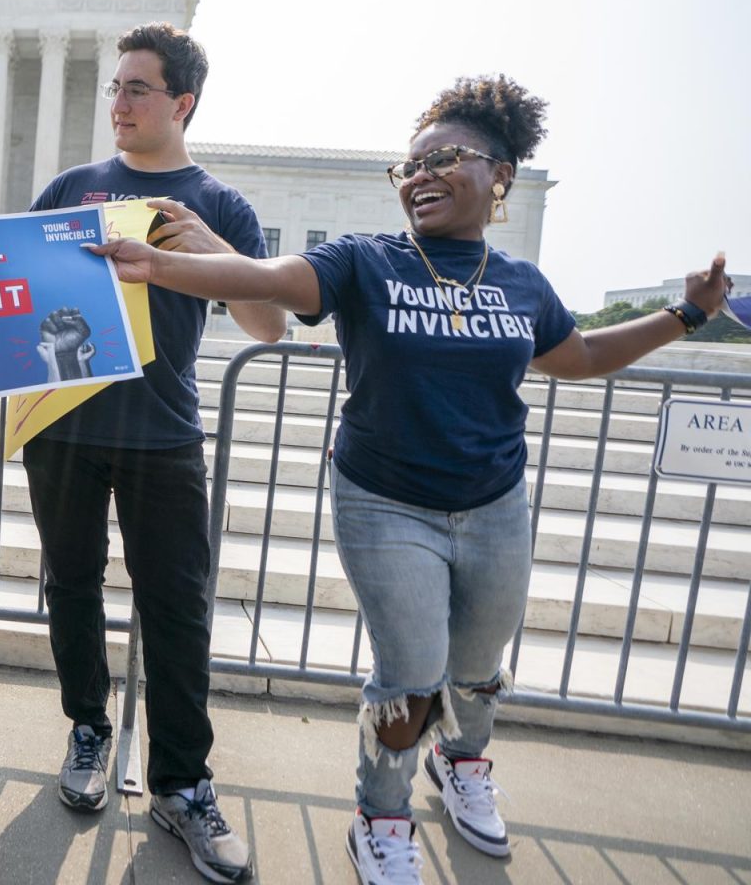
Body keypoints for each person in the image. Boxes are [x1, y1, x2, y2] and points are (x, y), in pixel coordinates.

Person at [90, 75, 729, 885]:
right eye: (410, 166)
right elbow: (268, 279)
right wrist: (156, 266)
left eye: (446, 159)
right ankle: (381, 817)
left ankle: (462, 765)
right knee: (411, 676)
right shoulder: (367, 262)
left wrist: (688, 316)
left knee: (477, 665)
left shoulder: (522, 284)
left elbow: (586, 358)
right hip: (385, 503)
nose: (420, 176)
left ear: (500, 175)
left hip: (496, 503)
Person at [24, 22, 286, 884]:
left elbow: (268, 323)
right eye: (116, 87)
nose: (120, 103)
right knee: (69, 586)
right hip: (65, 427)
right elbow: (13, 292)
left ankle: (182, 782)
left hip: (165, 433)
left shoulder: (220, 204)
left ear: (182, 102)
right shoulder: (71, 186)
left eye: (138, 88)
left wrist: (207, 251)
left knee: (178, 610)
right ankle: (88, 731)